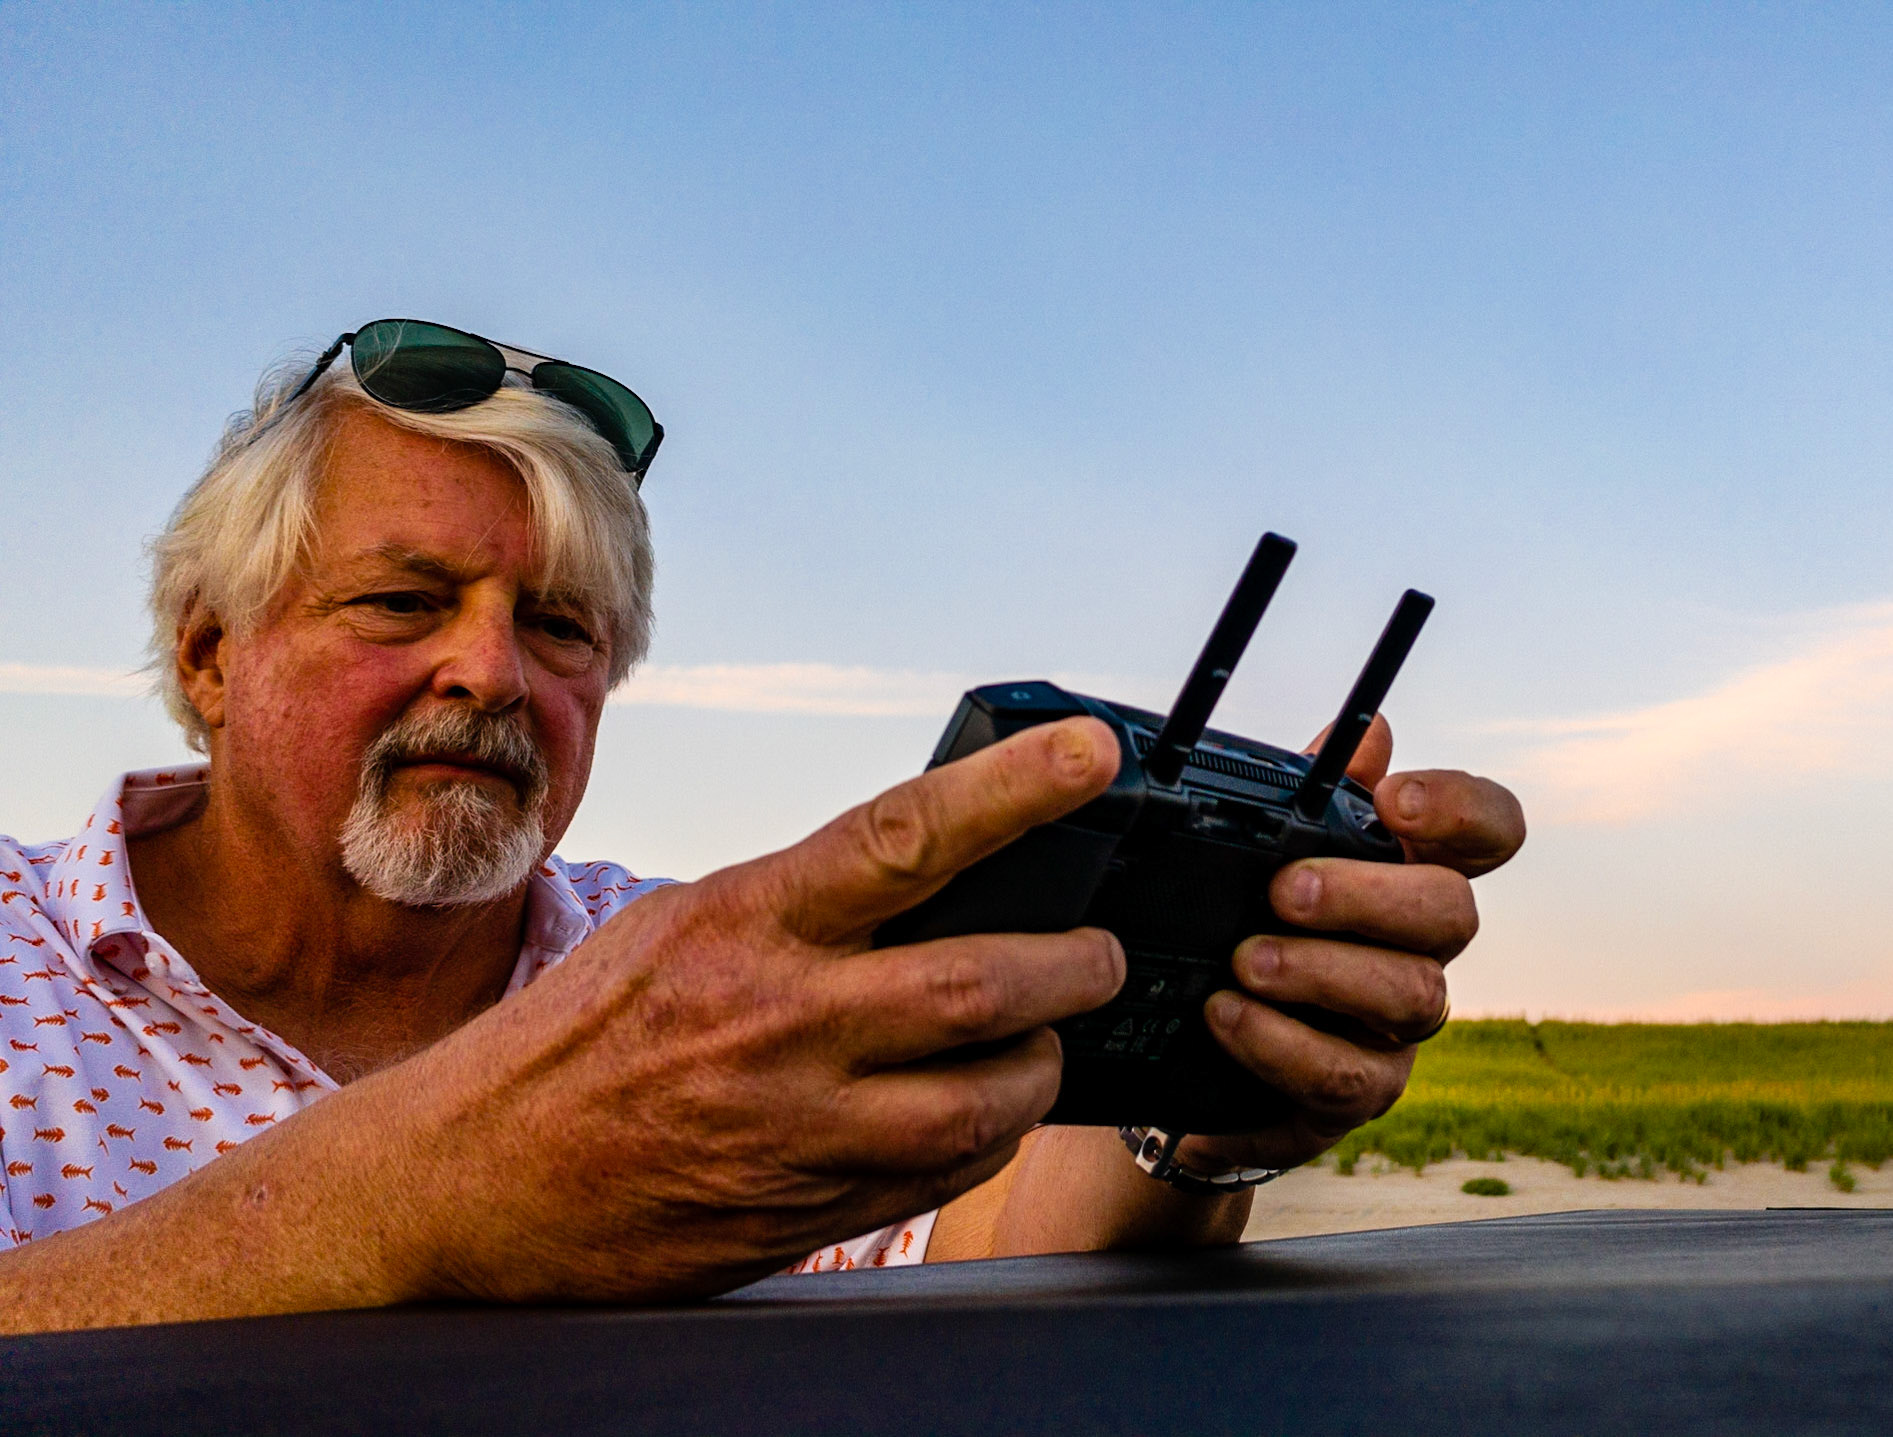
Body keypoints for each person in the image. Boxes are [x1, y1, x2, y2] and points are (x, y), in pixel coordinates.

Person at [0, 320, 1525, 1333]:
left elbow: (977, 1262)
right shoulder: (21, 965)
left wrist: (1188, 1099)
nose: (492, 669)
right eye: (404, 600)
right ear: (209, 653)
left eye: (562, 628)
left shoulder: (689, 980)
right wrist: (425, 1194)